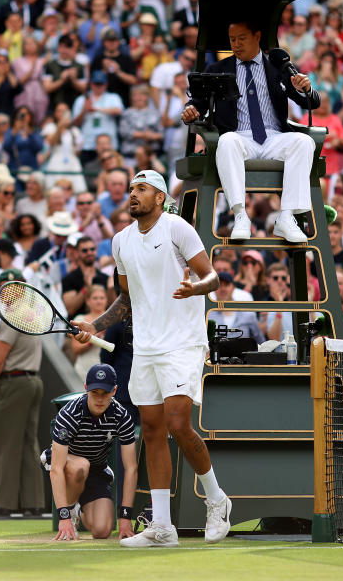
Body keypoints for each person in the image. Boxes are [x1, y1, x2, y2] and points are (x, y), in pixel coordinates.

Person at [73, 170, 231, 547]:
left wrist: (196, 287)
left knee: (178, 424)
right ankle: (162, 526)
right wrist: (94, 326)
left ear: (159, 197)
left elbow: (213, 279)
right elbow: (126, 300)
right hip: (145, 347)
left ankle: (216, 499)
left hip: (182, 344)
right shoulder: (120, 241)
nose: (133, 194)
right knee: (152, 432)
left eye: (141, 189)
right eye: (130, 189)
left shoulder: (177, 228)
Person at [181, 18, 319, 243]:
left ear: (257, 37)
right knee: (226, 142)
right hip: (240, 138)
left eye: (241, 38)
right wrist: (190, 110)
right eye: (232, 40)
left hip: (275, 137)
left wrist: (306, 88)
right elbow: (198, 102)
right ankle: (240, 215)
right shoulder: (218, 69)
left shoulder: (278, 67)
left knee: (305, 143)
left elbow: (311, 103)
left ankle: (286, 217)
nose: (236, 44)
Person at [43, 364, 137, 540]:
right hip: (64, 465)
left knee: (102, 531)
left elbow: (131, 468)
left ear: (115, 391)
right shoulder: (70, 413)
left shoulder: (122, 416)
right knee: (80, 466)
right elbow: (56, 468)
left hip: (96, 470)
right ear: (86, 389)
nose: (99, 399)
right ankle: (71, 514)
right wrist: (63, 516)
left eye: (105, 393)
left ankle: (79, 510)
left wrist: (125, 516)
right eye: (95, 393)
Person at [0, 267, 46, 515]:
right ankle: (34, 503)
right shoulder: (33, 313)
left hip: (14, 382)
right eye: (3, 288)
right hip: (33, 380)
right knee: (29, 443)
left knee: (6, 445)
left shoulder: (12, 315)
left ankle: (4, 504)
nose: (6, 293)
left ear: (20, 288)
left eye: (11, 287)